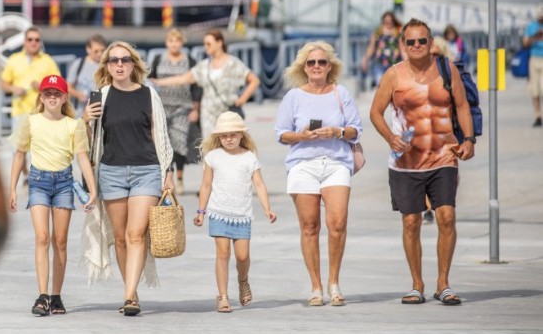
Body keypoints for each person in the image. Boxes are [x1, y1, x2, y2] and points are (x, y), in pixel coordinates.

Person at [370, 18, 475, 306]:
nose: (417, 46)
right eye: (411, 41)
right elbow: (375, 113)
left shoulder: (446, 69)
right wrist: (391, 138)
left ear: (430, 42)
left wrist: (469, 139)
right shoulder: (394, 75)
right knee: (411, 222)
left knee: (446, 216)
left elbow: (462, 106)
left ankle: (443, 283)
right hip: (407, 161)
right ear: (403, 45)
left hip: (444, 155)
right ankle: (417, 284)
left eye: (422, 41)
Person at [81, 41, 173, 316]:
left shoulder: (149, 95)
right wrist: (84, 119)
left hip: (147, 171)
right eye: (113, 61)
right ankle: (130, 290)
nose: (119, 64)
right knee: (120, 238)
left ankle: (130, 296)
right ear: (107, 66)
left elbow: (161, 135)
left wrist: (167, 172)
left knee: (136, 234)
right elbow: (90, 142)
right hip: (111, 172)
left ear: (134, 64)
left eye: (124, 60)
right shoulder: (101, 96)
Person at [275, 41, 363, 307]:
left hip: (336, 162)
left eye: (321, 62)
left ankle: (334, 281)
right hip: (303, 163)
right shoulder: (293, 97)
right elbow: (281, 134)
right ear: (304, 67)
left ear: (329, 66)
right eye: (311, 62)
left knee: (337, 224)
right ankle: (316, 286)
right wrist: (303, 136)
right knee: (309, 226)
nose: (316, 67)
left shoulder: (341, 93)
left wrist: (337, 132)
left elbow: (356, 129)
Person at [9, 75, 98, 316]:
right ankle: (42, 296)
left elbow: (82, 158)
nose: (52, 97)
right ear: (41, 97)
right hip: (38, 182)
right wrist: (13, 189)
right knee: (42, 237)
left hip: (63, 184)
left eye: (56, 93)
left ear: (65, 98)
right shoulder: (31, 122)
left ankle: (56, 295)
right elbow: (19, 155)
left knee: (60, 241)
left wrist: (92, 189)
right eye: (47, 93)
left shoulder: (73, 125)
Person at [193, 111, 276, 313]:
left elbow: (259, 184)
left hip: (242, 215)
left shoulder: (249, 157)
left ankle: (243, 280)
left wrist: (267, 208)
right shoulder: (213, 157)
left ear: (241, 135)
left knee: (242, 256)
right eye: (224, 136)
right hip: (218, 212)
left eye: (233, 135)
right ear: (218, 137)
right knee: (222, 254)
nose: (228, 139)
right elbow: (205, 185)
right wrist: (201, 211)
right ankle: (222, 296)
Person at [150, 28, 260, 139]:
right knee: (210, 150)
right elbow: (182, 79)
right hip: (208, 117)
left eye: (209, 44)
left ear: (219, 43)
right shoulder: (204, 66)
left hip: (227, 115)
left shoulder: (233, 64)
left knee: (229, 147)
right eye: (204, 44)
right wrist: (159, 82)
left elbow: (254, 80)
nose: (206, 47)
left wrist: (242, 100)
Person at [147, 28, 202, 195]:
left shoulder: (190, 61)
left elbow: (196, 86)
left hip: (183, 107)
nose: (174, 44)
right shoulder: (158, 59)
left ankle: (179, 179)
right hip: (162, 107)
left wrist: (196, 109)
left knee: (178, 143)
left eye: (177, 41)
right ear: (166, 43)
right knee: (163, 143)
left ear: (182, 43)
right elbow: (150, 80)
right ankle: (165, 177)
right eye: (171, 41)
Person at [1, 26, 62, 132]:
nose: (33, 43)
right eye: (30, 39)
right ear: (24, 42)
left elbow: (59, 86)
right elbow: (3, 84)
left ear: (40, 42)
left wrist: (42, 86)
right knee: (19, 148)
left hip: (43, 113)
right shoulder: (14, 59)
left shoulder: (48, 61)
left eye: (37, 40)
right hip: (20, 112)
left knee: (41, 148)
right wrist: (14, 89)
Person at [361, 11, 403, 88]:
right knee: (380, 85)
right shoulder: (378, 31)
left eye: (390, 21)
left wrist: (408, 62)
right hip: (379, 63)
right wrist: (365, 59)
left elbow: (402, 48)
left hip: (394, 64)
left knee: (393, 87)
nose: (388, 23)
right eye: (386, 21)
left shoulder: (398, 32)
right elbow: (371, 47)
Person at [66, 34, 107, 111]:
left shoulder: (107, 66)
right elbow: (68, 87)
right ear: (88, 49)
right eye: (96, 51)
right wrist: (77, 94)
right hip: (79, 112)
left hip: (99, 112)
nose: (100, 54)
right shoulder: (78, 64)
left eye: (102, 50)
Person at [522, 5, 543, 127]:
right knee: (534, 89)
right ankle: (537, 115)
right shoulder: (532, 27)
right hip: (534, 59)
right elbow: (525, 43)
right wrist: (535, 36)